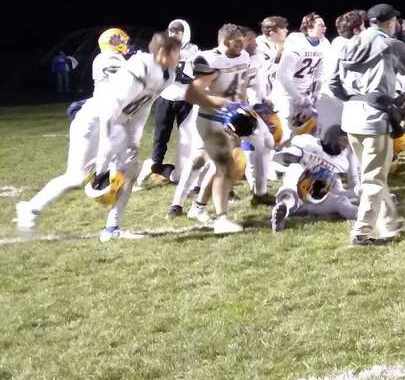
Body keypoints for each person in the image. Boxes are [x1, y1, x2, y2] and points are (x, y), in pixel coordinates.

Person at [17, 33, 224, 239]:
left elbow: (144, 107)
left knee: (131, 170)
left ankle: (112, 228)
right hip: (95, 120)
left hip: (118, 123)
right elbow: (110, 109)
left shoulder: (167, 73)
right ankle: (30, 208)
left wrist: (133, 139)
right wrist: (104, 153)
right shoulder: (140, 67)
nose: (180, 57)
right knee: (76, 177)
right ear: (163, 52)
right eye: (177, 52)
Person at [328, 3, 405, 246]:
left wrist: (352, 99)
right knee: (373, 180)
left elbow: (333, 82)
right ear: (390, 22)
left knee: (372, 175)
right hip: (375, 117)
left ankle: (388, 223)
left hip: (352, 115)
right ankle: (361, 233)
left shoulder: (348, 44)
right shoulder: (390, 43)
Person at [184, 24, 258, 233]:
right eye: (237, 40)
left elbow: (241, 86)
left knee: (224, 167)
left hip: (234, 118)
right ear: (225, 42)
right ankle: (221, 218)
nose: (242, 43)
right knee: (225, 167)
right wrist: (224, 104)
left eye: (242, 39)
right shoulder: (209, 59)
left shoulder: (243, 56)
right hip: (211, 119)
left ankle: (198, 208)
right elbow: (192, 95)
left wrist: (244, 106)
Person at [139, 19, 201, 185]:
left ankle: (185, 169)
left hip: (186, 99)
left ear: (185, 32)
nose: (174, 33)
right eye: (172, 30)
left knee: (187, 137)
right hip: (166, 96)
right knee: (161, 134)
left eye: (178, 31)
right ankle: (155, 165)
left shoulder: (192, 49)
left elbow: (191, 67)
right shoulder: (164, 48)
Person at [269, 126, 360, 233]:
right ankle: (283, 208)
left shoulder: (341, 162)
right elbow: (280, 158)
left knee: (341, 202)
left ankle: (364, 214)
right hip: (298, 190)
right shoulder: (309, 144)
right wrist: (297, 158)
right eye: (344, 140)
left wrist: (356, 192)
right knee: (292, 189)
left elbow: (338, 190)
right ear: (332, 137)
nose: (345, 146)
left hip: (319, 200)